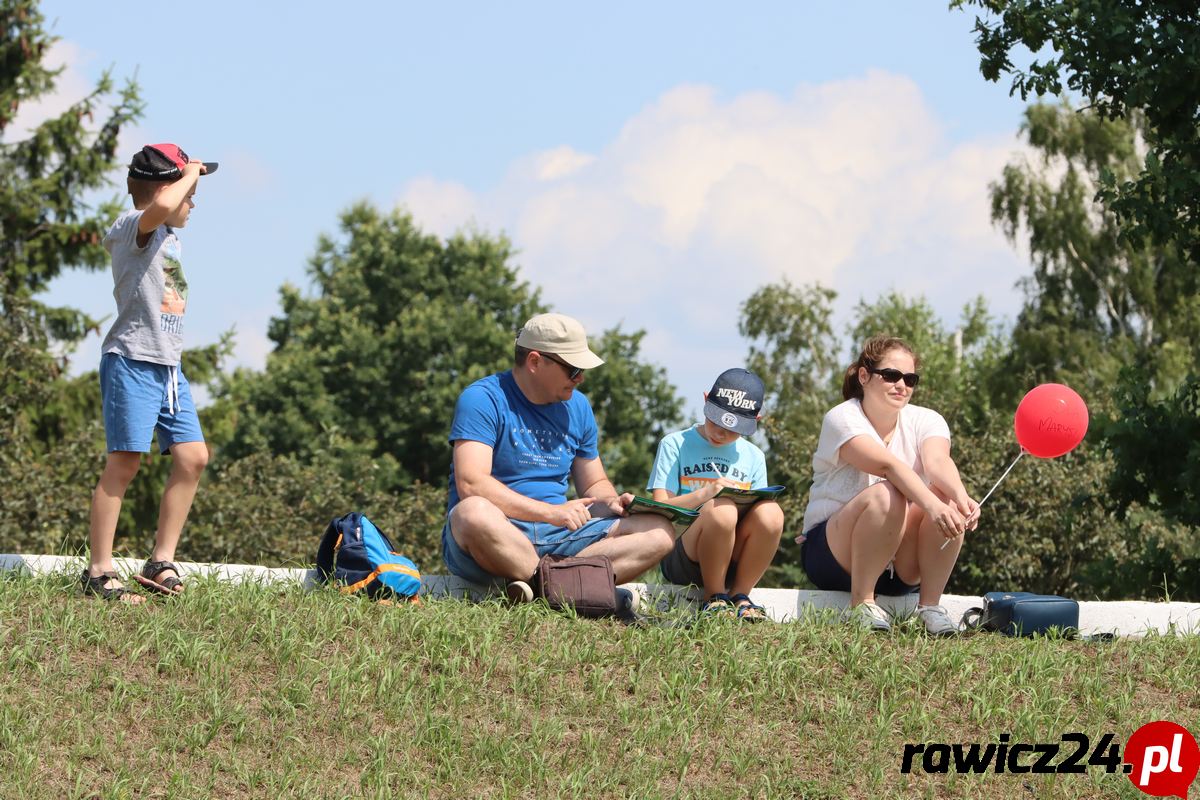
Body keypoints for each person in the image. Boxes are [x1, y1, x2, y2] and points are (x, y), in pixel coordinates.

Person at [442, 313, 675, 601]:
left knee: (660, 532)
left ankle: (541, 587)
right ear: (535, 362)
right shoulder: (482, 399)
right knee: (472, 512)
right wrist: (551, 513)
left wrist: (611, 502)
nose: (581, 378)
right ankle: (575, 588)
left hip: (561, 536)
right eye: (573, 369)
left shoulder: (578, 407)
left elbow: (594, 483)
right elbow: (471, 484)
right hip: (499, 534)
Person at [83, 144, 218, 603]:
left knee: (193, 456)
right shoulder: (131, 227)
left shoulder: (168, 238)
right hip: (132, 361)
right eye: (189, 193)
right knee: (125, 463)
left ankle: (161, 559)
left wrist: (188, 180)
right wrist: (189, 173)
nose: (192, 202)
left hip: (168, 369)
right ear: (166, 188)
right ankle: (99, 571)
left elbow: (167, 207)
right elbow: (160, 205)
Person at [798, 336, 978, 635]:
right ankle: (863, 603)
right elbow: (887, 466)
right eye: (891, 375)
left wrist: (961, 498)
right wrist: (931, 507)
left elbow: (937, 463)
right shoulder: (842, 417)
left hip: (899, 569)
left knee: (946, 498)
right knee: (888, 491)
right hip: (832, 557)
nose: (901, 385)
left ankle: (930, 608)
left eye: (910, 379)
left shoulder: (926, 419)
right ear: (864, 376)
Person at [647, 368, 783, 621]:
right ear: (706, 398)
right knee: (723, 509)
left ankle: (741, 594)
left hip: (732, 557)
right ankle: (715, 597)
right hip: (683, 555)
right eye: (715, 421)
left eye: (733, 429)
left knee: (771, 513)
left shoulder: (754, 456)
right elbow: (660, 508)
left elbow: (759, 517)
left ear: (757, 420)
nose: (720, 433)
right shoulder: (675, 443)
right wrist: (706, 494)